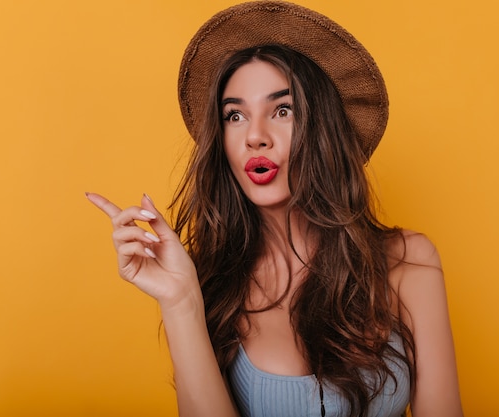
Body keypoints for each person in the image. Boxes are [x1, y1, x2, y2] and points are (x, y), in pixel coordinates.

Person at [86, 2, 463, 416]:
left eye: (282, 110)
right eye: (235, 115)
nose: (255, 136)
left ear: (323, 130)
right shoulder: (213, 286)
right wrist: (180, 302)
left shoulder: (409, 262)